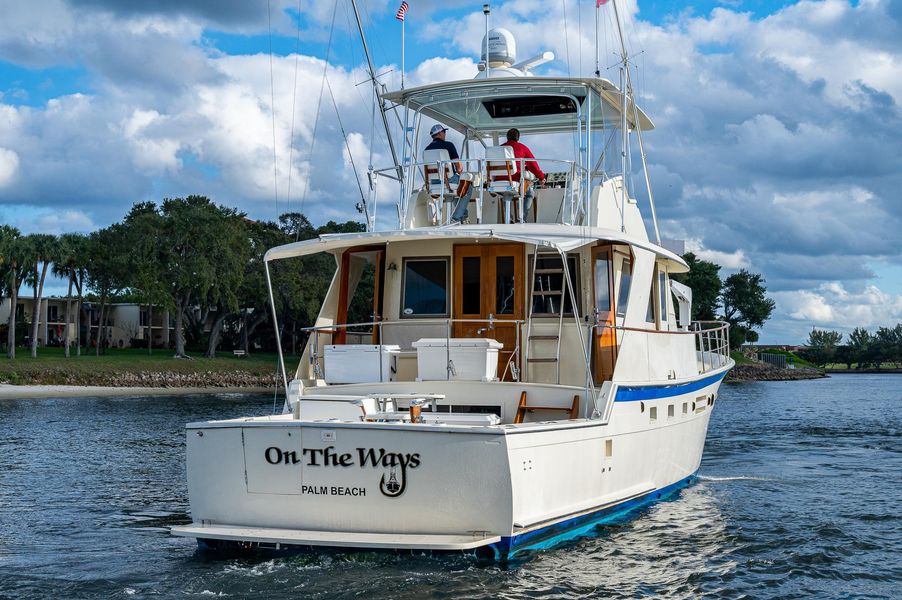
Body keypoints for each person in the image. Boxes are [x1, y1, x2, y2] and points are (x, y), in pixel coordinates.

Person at [424, 124, 474, 224]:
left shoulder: (427, 150)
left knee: (458, 188)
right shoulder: (448, 145)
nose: (445, 134)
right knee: (467, 186)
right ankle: (456, 218)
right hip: (448, 181)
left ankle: (463, 215)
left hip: (433, 182)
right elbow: (459, 168)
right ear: (439, 133)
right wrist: (458, 172)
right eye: (444, 132)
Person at [501, 128, 545, 222]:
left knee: (506, 192)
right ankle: (521, 218)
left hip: (498, 181)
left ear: (507, 137)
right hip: (515, 178)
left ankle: (509, 219)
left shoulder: (499, 149)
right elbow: (533, 165)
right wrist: (541, 177)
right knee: (529, 193)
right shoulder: (522, 147)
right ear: (518, 138)